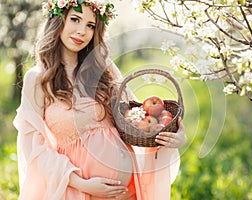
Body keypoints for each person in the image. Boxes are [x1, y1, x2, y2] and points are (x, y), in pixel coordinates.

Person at [13, 0, 186, 199]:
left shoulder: (104, 69)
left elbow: (138, 118)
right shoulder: (38, 79)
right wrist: (83, 184)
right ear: (57, 20)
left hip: (127, 192)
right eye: (75, 20)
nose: (82, 31)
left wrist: (172, 136)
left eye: (90, 25)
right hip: (78, 191)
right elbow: (33, 148)